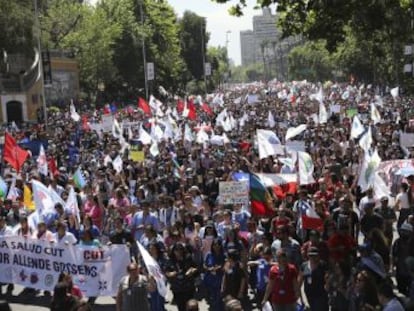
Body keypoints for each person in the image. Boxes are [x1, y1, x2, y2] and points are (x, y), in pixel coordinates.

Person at [165, 243, 198, 311]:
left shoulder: (188, 258)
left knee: (190, 306)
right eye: (176, 250)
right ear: (173, 251)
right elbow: (166, 272)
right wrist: (171, 274)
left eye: (180, 249)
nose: (179, 251)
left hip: (188, 287)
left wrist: (191, 270)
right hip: (177, 289)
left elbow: (196, 268)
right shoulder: (170, 260)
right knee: (181, 307)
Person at [299, 247, 329, 311]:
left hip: (320, 296)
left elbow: (327, 280)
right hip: (308, 295)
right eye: (311, 255)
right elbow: (300, 281)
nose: (313, 258)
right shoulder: (304, 265)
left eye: (314, 256)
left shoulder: (322, 265)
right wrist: (301, 297)